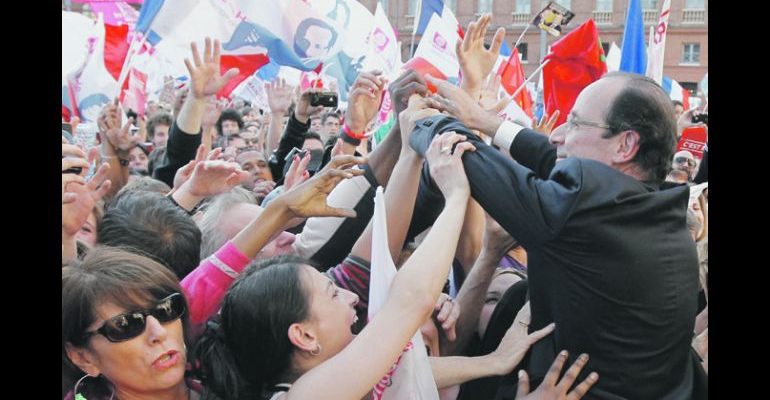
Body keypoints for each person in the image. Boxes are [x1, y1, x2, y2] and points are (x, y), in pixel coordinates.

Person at [193, 129, 587, 399]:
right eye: (332, 292)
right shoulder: (306, 395)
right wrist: (455, 196)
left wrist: (491, 362)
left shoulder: (327, 374)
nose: (350, 295)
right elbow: (409, 301)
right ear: (304, 336)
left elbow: (404, 371)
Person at [418, 61, 704, 396]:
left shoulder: (582, 210)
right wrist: (486, 122)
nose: (556, 135)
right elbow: (557, 160)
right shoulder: (656, 208)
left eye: (575, 122)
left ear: (625, 145)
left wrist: (423, 121)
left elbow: (468, 157)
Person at [62, 247, 196, 400]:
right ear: (83, 358)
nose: (159, 332)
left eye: (165, 310)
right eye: (126, 324)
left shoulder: (223, 376)